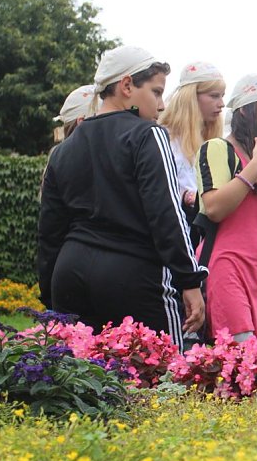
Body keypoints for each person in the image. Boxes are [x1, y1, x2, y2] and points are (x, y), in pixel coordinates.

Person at [38, 46, 206, 350]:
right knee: (163, 379)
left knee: (79, 385)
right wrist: (189, 280)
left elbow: (49, 233)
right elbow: (166, 213)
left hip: (69, 274)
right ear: (126, 86)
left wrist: (51, 298)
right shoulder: (147, 135)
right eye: (156, 92)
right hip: (133, 276)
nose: (162, 104)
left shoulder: (63, 150)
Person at [195, 73, 257, 342]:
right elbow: (214, 208)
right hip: (224, 268)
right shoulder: (217, 148)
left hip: (256, 276)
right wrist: (254, 168)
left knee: (250, 367)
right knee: (243, 359)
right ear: (246, 111)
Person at [157, 62, 226, 231]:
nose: (222, 103)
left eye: (222, 95)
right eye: (214, 95)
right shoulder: (163, 138)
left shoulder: (212, 142)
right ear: (191, 98)